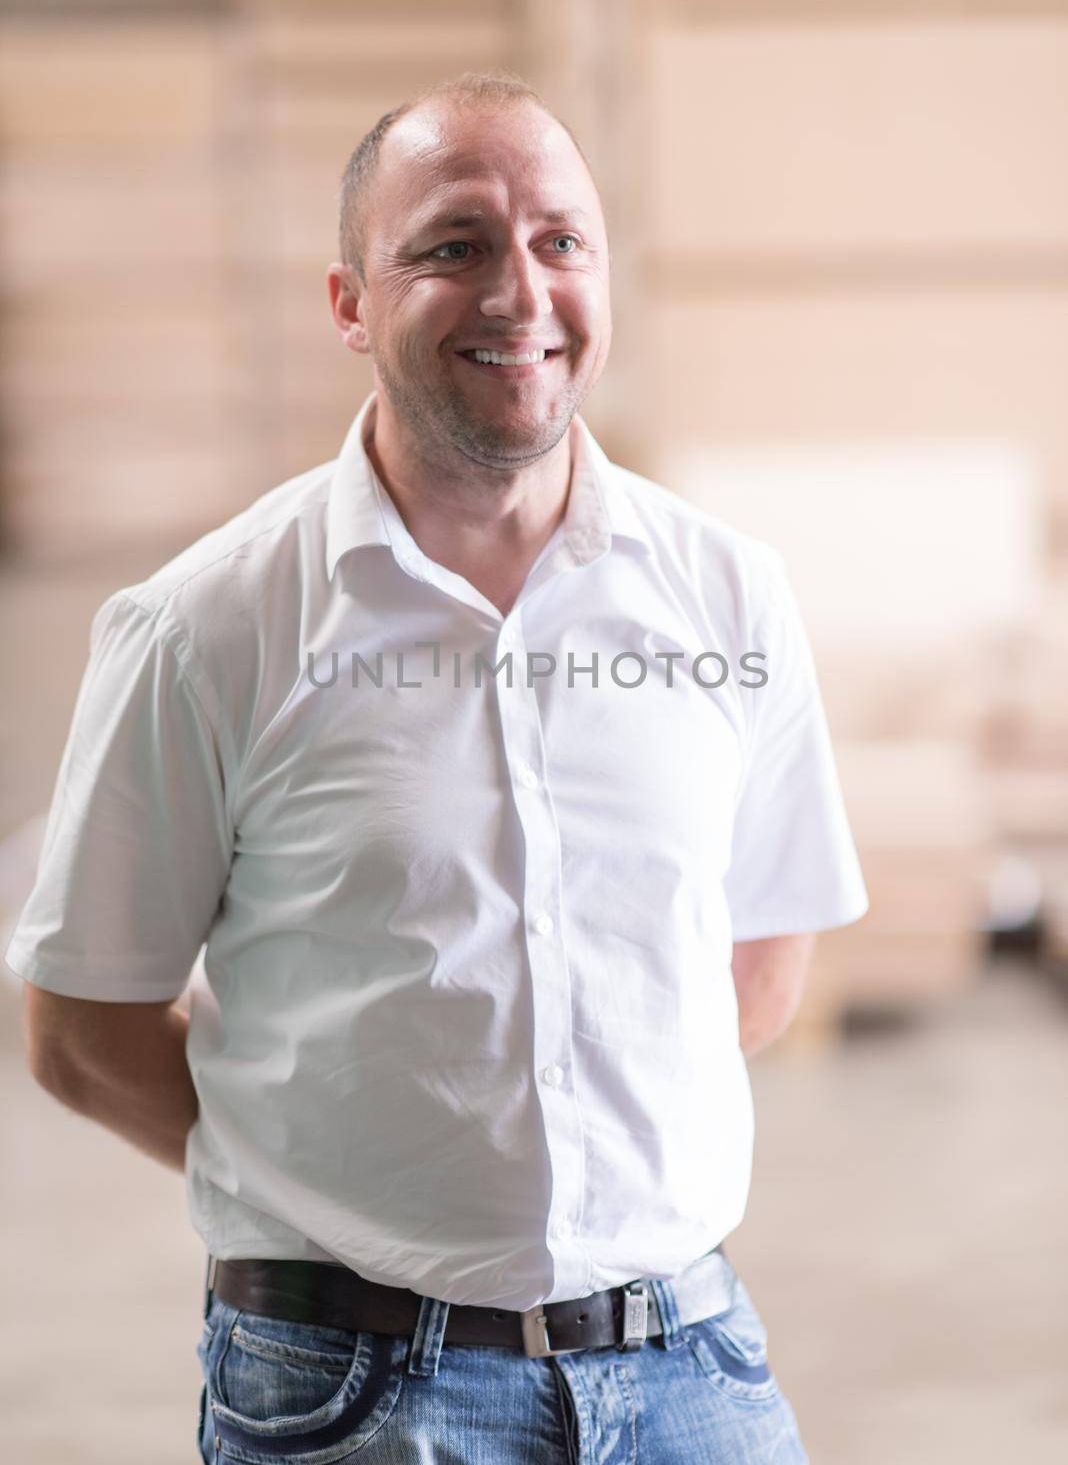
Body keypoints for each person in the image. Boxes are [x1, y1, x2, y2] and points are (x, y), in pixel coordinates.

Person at [6, 71, 868, 1463]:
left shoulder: (729, 598)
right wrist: (346, 1191)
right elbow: (83, 1035)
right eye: (454, 245)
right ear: (348, 302)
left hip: (690, 1374)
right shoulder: (206, 629)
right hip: (351, 1394)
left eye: (560, 241)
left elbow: (755, 972)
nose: (519, 292)